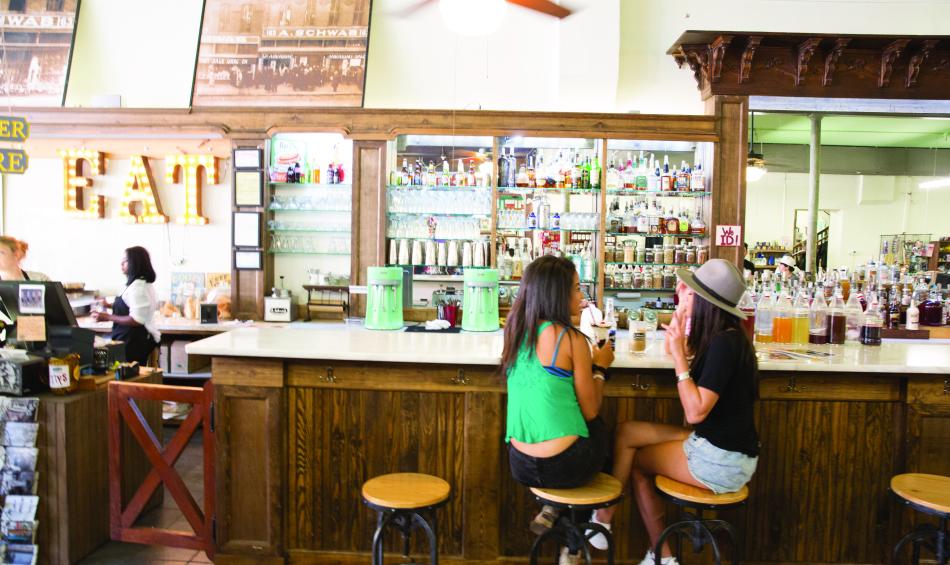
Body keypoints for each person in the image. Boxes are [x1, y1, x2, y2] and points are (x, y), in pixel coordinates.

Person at [589, 259, 759, 565]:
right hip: (721, 446)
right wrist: (679, 328)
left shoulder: (724, 344)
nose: (684, 295)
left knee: (639, 464)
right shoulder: (726, 337)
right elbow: (683, 361)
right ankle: (603, 518)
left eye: (692, 293)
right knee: (627, 431)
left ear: (707, 304)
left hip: (722, 460)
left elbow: (695, 413)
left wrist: (681, 358)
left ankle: (662, 557)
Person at [502, 255, 614, 541]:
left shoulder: (515, 332)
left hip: (520, 463)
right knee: (602, 431)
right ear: (557, 293)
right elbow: (590, 411)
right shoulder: (571, 339)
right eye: (576, 288)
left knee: (573, 431)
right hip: (564, 465)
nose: (581, 296)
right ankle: (580, 538)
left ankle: (553, 507)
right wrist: (600, 367)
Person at [92, 246, 160, 365]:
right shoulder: (136, 284)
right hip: (130, 339)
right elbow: (128, 305)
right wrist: (109, 305)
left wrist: (108, 317)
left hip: (134, 342)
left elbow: (136, 319)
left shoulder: (138, 288)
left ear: (135, 262)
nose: (121, 264)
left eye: (125, 261)